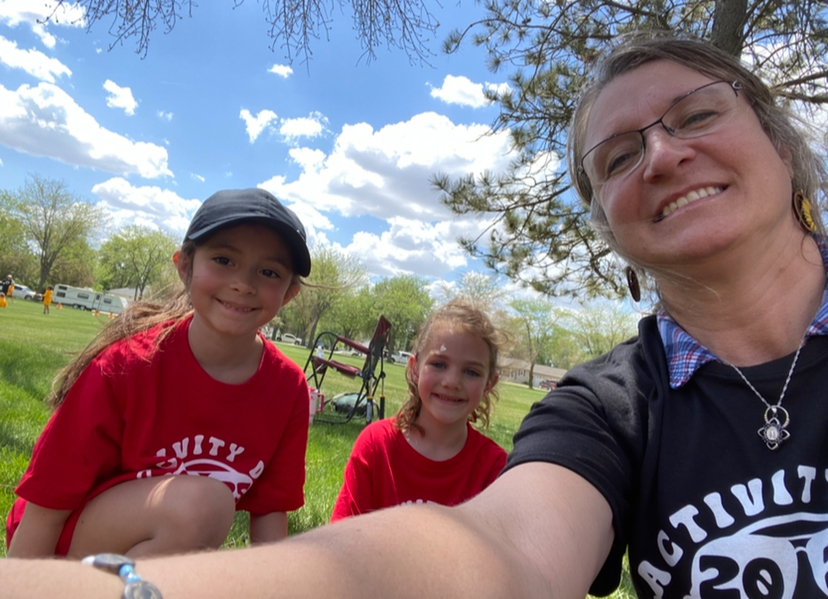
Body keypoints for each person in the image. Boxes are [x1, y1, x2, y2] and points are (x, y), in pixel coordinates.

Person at [3, 30, 828, 599]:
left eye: (696, 115)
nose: (663, 155)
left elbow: (274, 521)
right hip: (88, 540)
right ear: (607, 218)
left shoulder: (289, 389)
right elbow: (499, 553)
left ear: (781, 139)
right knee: (197, 507)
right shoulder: (608, 411)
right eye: (617, 157)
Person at [5, 188, 313, 560]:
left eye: (268, 271)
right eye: (223, 259)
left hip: (155, 547)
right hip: (62, 545)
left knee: (202, 515)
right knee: (203, 506)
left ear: (290, 293)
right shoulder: (128, 364)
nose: (243, 284)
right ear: (184, 265)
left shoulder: (288, 387)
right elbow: (46, 502)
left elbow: (269, 515)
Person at [331, 299, 507, 521]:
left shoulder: (494, 468)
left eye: (471, 372)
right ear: (415, 369)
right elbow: (342, 543)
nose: (452, 382)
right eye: (439, 364)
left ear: (489, 384)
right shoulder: (377, 446)